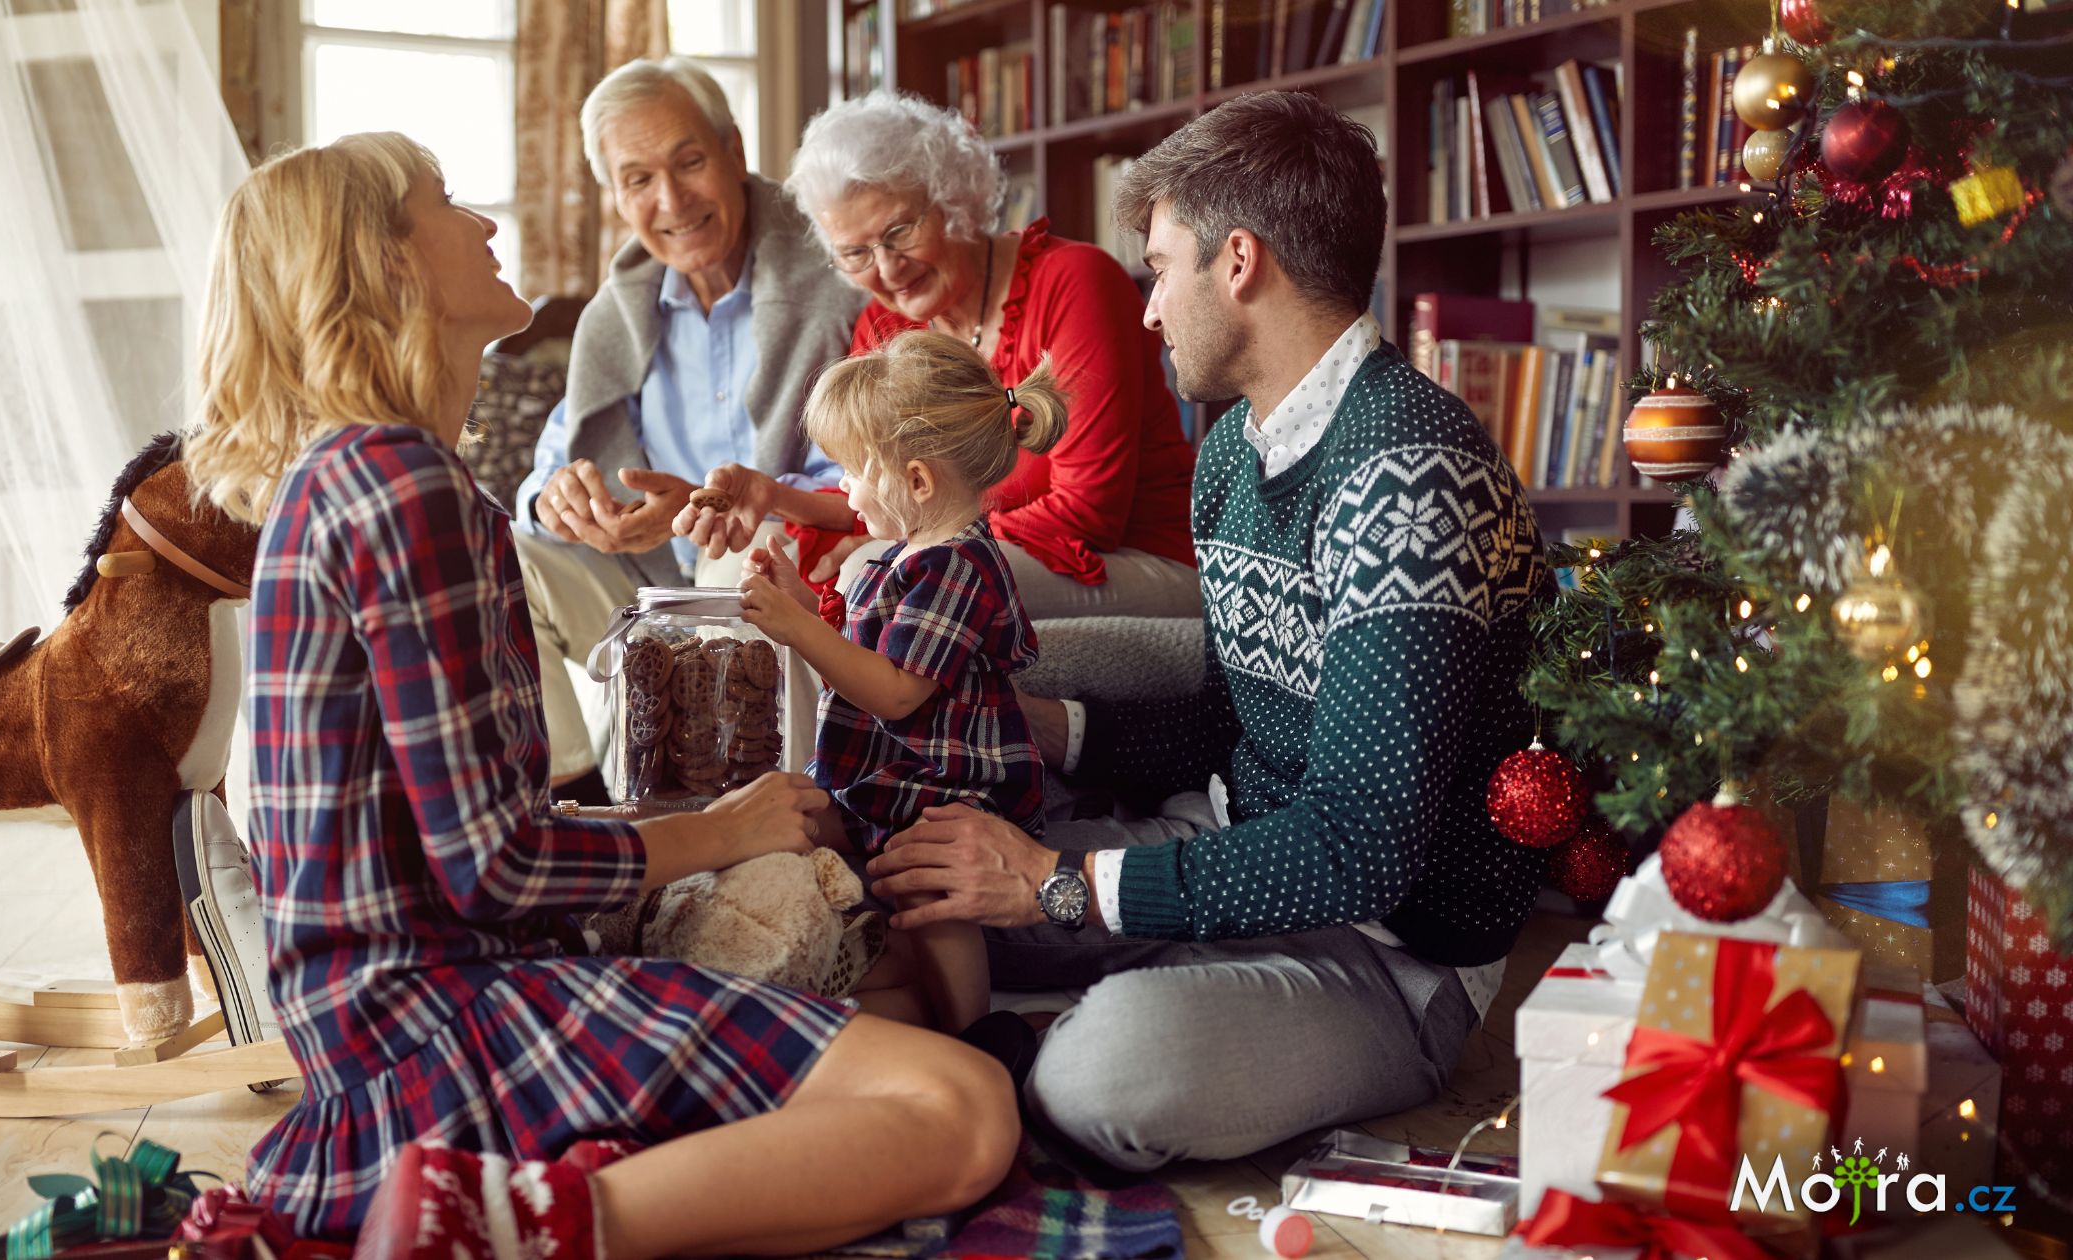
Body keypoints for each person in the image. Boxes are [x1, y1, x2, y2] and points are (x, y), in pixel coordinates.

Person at [182, 131, 1015, 1252]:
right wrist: (724, 830)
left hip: (380, 1022)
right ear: (383, 265)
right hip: (432, 1033)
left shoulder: (347, 474)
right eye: (445, 201)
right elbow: (495, 865)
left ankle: (559, 1185)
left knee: (859, 1037)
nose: (483, 222)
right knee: (961, 1109)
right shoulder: (401, 482)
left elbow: (459, 842)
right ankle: (505, 1222)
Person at [856, 93, 1552, 1173]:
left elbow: (1361, 850)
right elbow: (1238, 714)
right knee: (922, 903)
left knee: (1103, 1074)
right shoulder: (1233, 452)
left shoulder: (1406, 472)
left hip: (1388, 952)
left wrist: (1055, 882)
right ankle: (1056, 1024)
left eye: (1158, 268)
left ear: (1238, 263)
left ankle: (1048, 1049)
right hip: (1226, 841)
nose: (1145, 311)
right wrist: (1049, 729)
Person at [690, 91, 1199, 621]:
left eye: (899, 232)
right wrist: (773, 496)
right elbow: (884, 493)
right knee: (754, 563)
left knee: (889, 578)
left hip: (1133, 563)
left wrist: (896, 552)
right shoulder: (887, 326)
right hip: (985, 550)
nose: (886, 270)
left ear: (952, 198)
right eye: (857, 253)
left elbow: (1087, 514)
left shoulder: (1075, 283)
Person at [510, 58, 867, 786]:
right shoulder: (619, 312)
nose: (670, 199)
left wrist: (709, 510)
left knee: (744, 550)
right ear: (615, 196)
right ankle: (578, 804)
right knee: (504, 558)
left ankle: (756, 814)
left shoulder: (835, 278)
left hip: (778, 573)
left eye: (690, 161)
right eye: (638, 179)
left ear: (735, 152)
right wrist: (561, 501)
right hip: (644, 592)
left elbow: (872, 472)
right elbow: (551, 467)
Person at [735, 330, 1068, 1036]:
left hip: (941, 785)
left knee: (930, 892)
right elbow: (867, 643)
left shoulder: (957, 565)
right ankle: (869, 981)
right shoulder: (905, 555)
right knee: (793, 821)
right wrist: (803, 605)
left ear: (917, 481)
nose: (845, 491)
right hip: (887, 773)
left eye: (852, 471)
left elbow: (895, 691)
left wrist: (802, 633)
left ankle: (977, 1034)